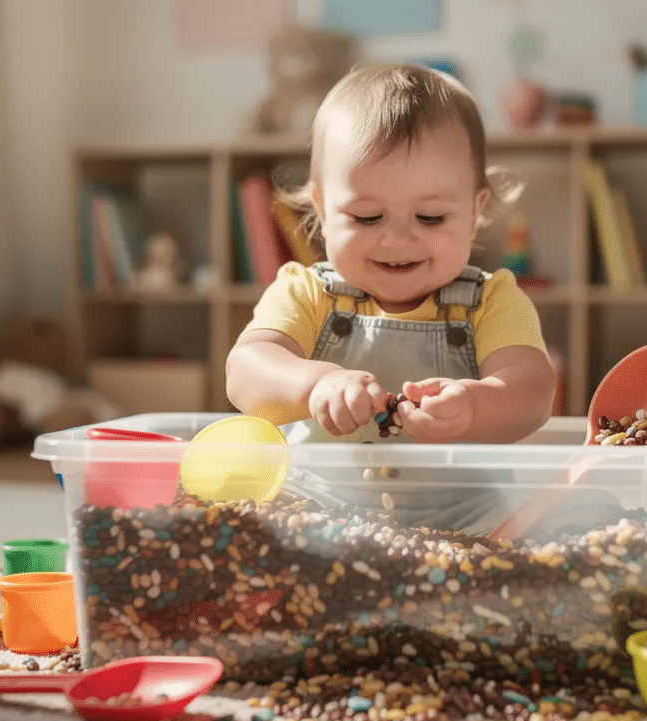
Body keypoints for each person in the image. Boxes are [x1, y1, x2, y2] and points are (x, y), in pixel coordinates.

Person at [226, 63, 555, 449]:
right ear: (322, 211)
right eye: (367, 217)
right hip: (320, 490)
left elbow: (532, 394)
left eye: (429, 217)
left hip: (459, 492)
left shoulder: (493, 302)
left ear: (473, 213)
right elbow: (245, 370)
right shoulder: (306, 293)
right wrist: (316, 385)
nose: (397, 239)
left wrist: (473, 406)